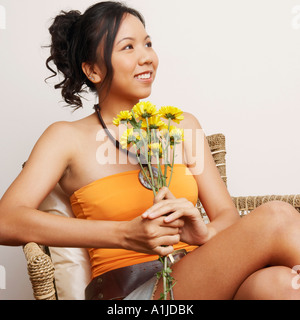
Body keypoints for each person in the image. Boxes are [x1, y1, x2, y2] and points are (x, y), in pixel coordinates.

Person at [0, 1, 300, 300]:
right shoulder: (66, 137)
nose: (147, 57)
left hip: (202, 276)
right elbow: (6, 220)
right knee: (276, 216)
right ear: (93, 70)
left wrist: (204, 234)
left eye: (148, 43)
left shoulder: (182, 126)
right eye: (128, 47)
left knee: (281, 285)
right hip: (130, 292)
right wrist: (123, 234)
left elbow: (227, 217)